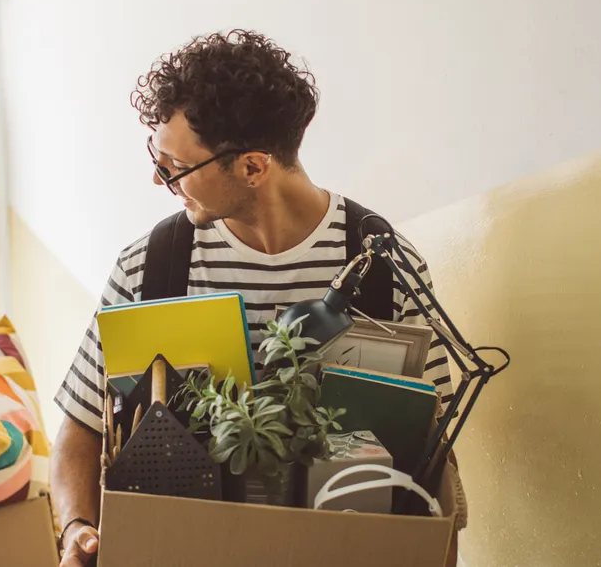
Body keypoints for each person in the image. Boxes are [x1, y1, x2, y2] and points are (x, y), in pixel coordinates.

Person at [51, 30, 458, 566]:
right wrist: (76, 530)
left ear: (252, 167)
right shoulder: (148, 267)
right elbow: (80, 430)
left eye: (175, 167)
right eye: (157, 156)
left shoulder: (383, 268)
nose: (158, 178)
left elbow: (434, 455)